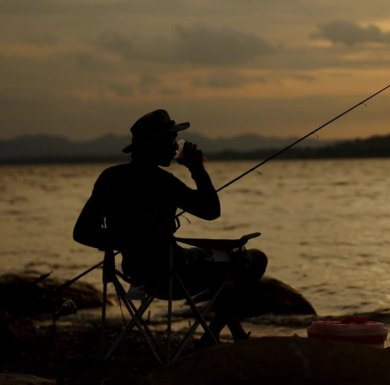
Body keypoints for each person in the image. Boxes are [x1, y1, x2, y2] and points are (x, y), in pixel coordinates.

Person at [73, 109, 267, 345]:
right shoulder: (164, 183)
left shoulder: (110, 178)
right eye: (170, 139)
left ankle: (233, 335)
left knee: (219, 260)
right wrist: (197, 168)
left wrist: (124, 242)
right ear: (155, 144)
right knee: (253, 259)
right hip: (174, 275)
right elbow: (211, 211)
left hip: (137, 274)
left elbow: (82, 232)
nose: (176, 146)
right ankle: (211, 337)